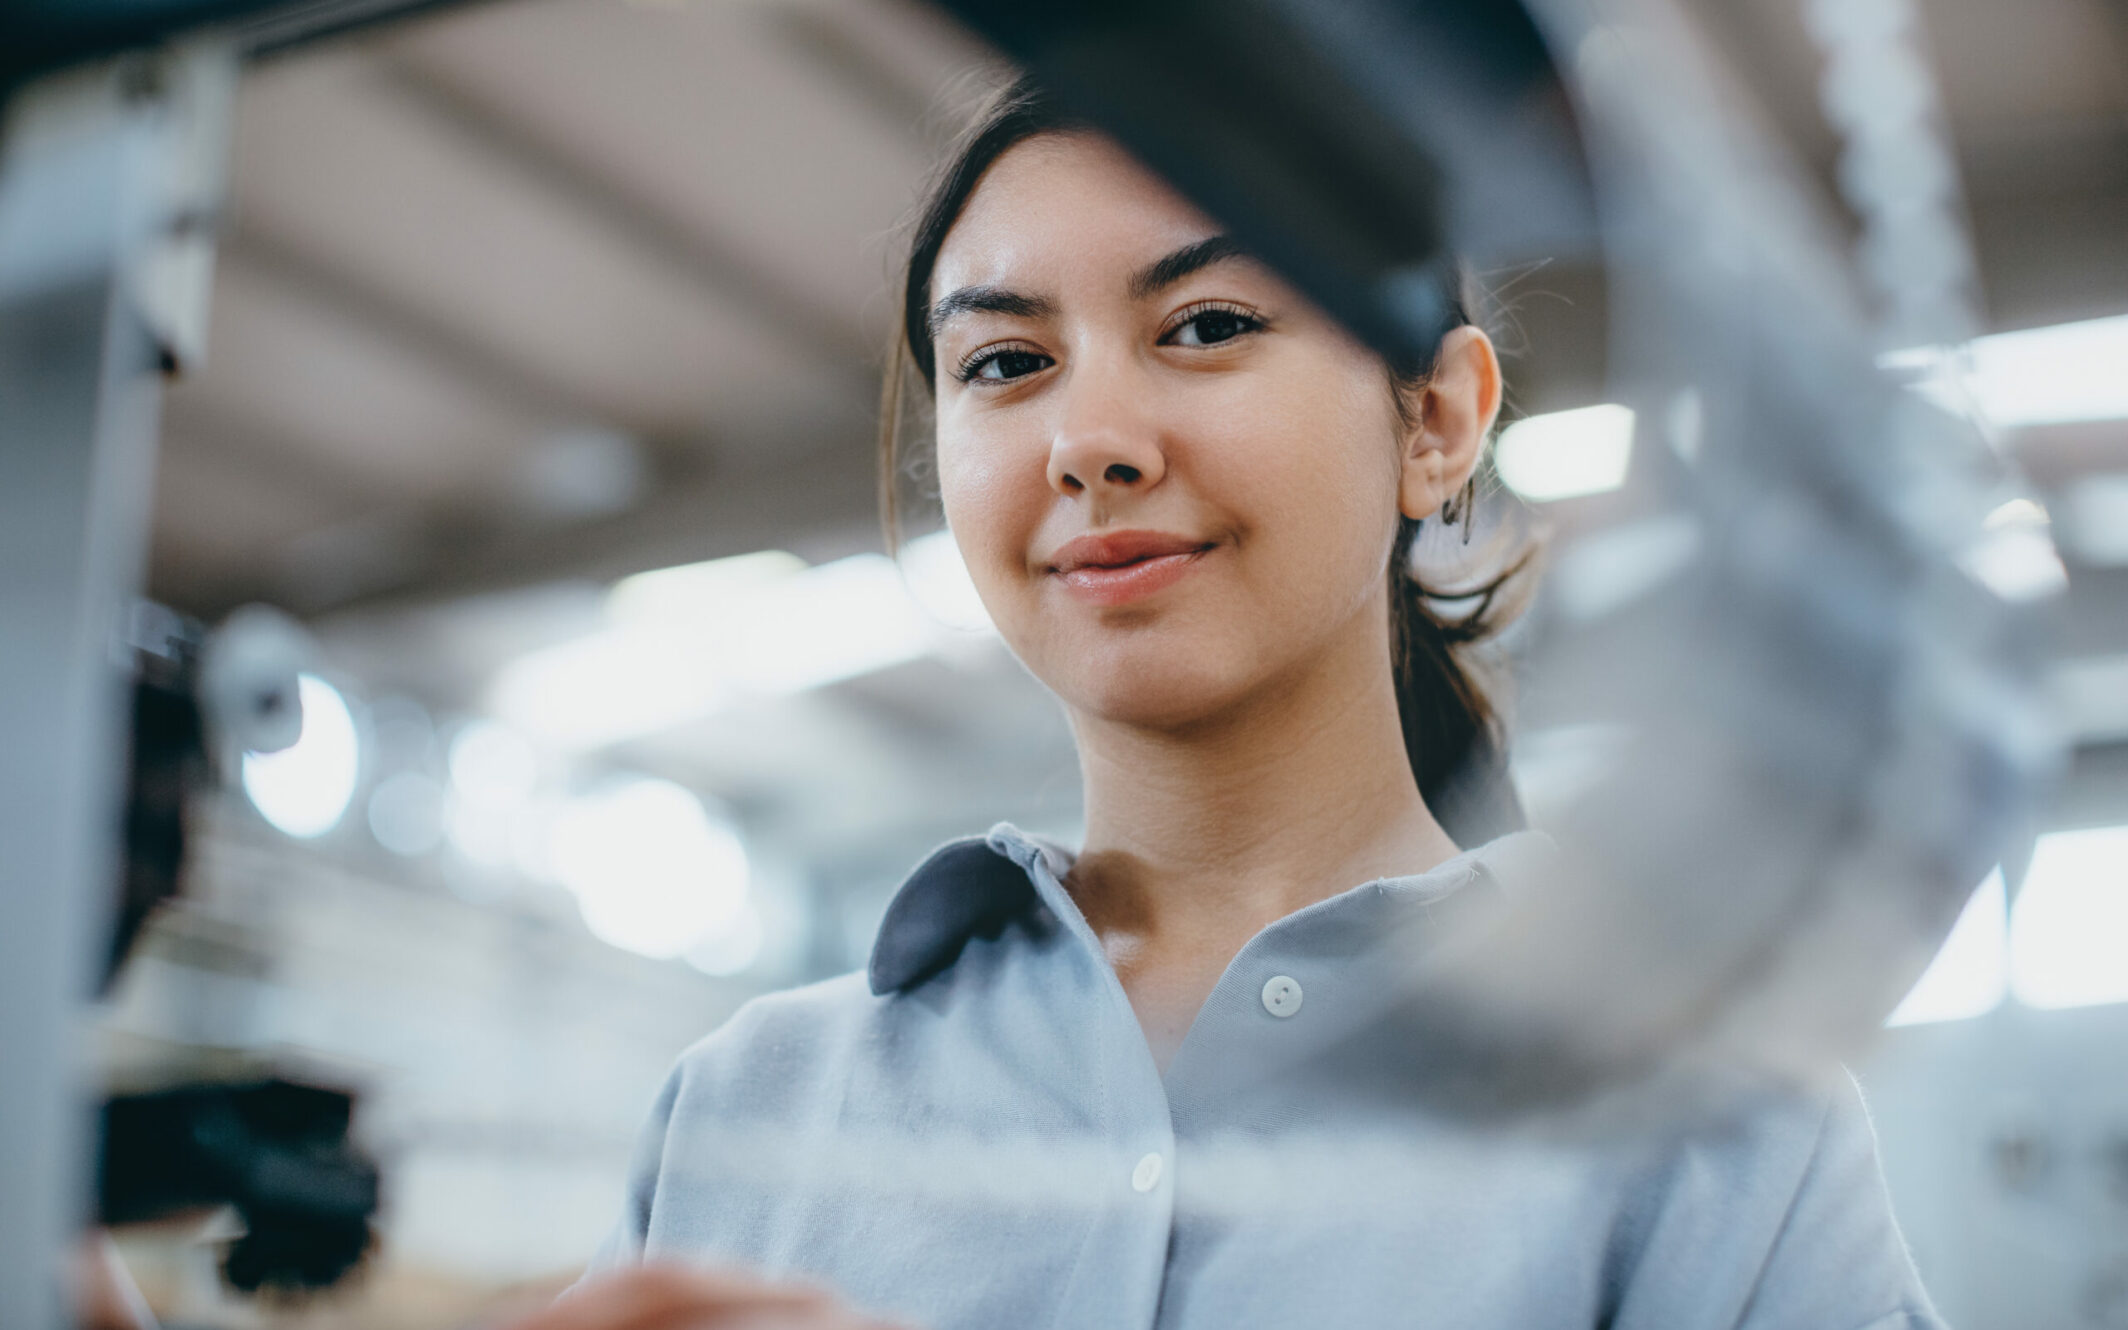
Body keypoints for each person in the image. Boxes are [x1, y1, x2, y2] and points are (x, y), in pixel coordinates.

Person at [520, 79, 1943, 1330]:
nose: (1091, 442)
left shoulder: (1699, 1101)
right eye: (1008, 362)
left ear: (1437, 420)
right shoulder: (750, 1107)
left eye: (1205, 324)